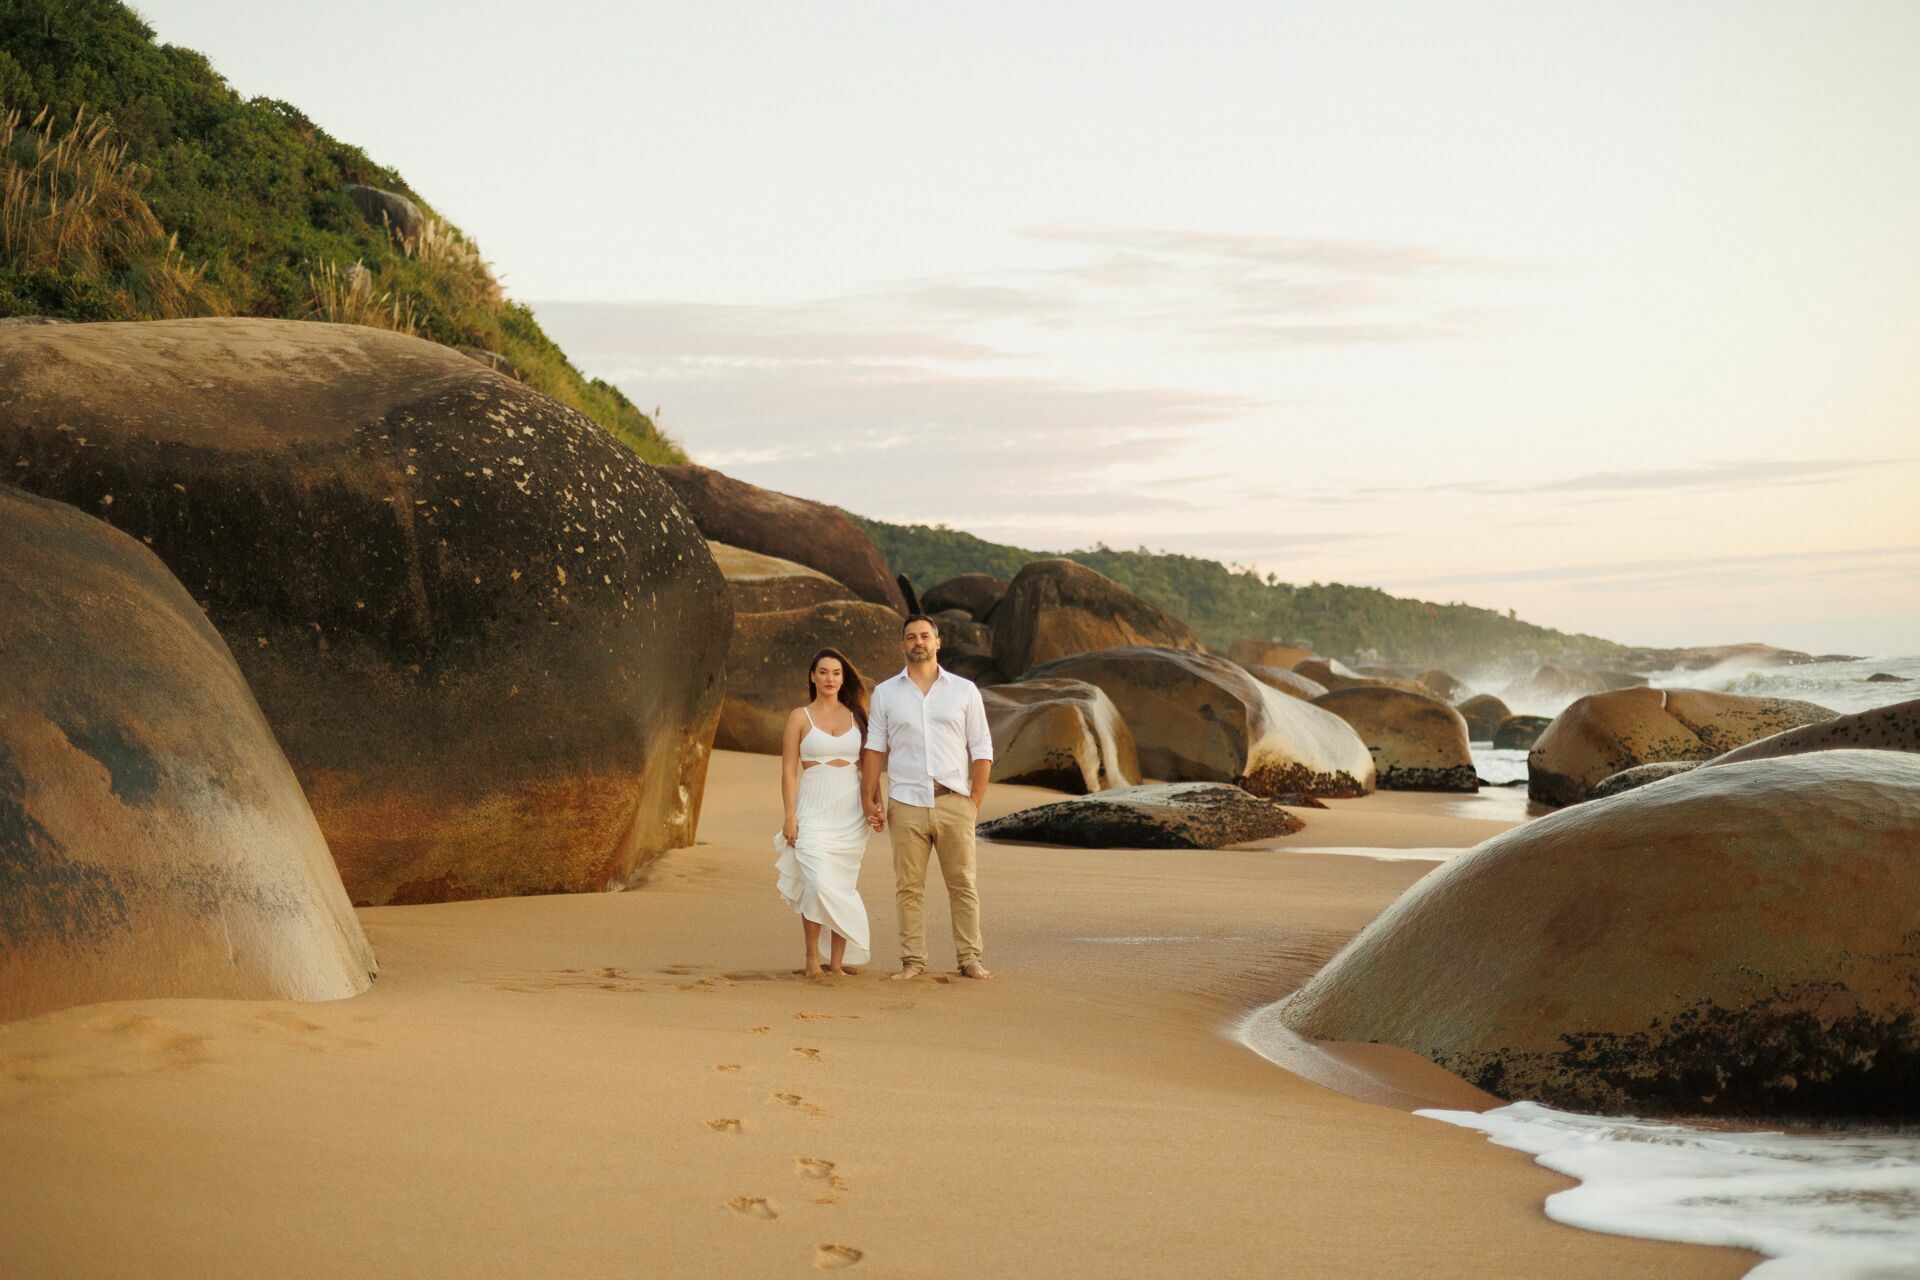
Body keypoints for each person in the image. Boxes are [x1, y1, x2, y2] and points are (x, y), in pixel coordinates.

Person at [860, 614, 996, 981]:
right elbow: (875, 747)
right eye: (910, 637)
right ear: (903, 645)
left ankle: (970, 960)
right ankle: (912, 963)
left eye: (924, 636)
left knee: (963, 885)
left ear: (938, 642)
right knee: (909, 888)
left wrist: (973, 802)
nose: (917, 642)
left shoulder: (964, 690)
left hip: (954, 801)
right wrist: (868, 797)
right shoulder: (886, 693)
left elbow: (981, 748)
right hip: (905, 803)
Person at [774, 648, 872, 978]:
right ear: (813, 676)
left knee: (842, 886)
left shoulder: (857, 716)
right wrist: (790, 816)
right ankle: (812, 959)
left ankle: (837, 964)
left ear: (843, 679)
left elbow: (868, 766)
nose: (830, 678)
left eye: (836, 673)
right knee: (817, 883)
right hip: (812, 809)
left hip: (850, 812)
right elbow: (788, 771)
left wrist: (876, 802)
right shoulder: (799, 717)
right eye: (823, 672)